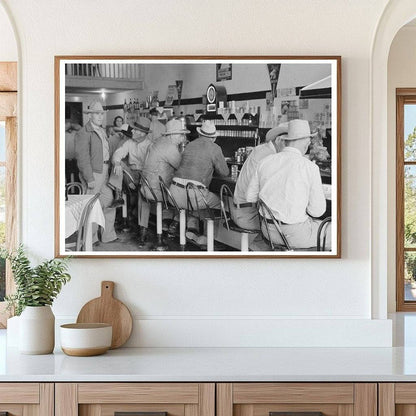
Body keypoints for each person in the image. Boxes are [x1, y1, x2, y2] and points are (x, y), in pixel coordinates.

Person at [246, 119, 329, 249]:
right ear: (306, 143)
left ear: (286, 140)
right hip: (295, 234)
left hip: (268, 230)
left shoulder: (265, 161)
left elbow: (250, 197)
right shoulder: (309, 167)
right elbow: (317, 211)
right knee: (338, 232)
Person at [169, 120, 229, 236]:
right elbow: (225, 172)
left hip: (174, 193)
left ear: (199, 134)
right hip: (194, 195)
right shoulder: (215, 148)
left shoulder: (190, 144)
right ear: (214, 138)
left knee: (196, 199)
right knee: (219, 203)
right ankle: (208, 239)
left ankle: (192, 227)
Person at [138, 119, 188, 242]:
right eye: (180, 134)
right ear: (172, 134)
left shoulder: (157, 142)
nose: (183, 137)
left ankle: (158, 226)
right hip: (156, 191)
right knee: (187, 197)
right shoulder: (170, 147)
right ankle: (174, 225)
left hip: (145, 187)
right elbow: (181, 166)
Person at [74, 100, 117, 244]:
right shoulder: (84, 132)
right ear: (90, 116)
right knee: (91, 205)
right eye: (97, 114)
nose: (100, 116)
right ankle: (89, 239)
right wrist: (89, 177)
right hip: (94, 173)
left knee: (109, 200)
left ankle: (107, 235)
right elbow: (82, 158)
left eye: (101, 114)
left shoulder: (101, 130)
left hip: (104, 170)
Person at [232, 122, 288, 230]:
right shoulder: (269, 156)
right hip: (248, 216)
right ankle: (257, 245)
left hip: (239, 211)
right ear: (278, 140)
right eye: (288, 143)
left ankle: (256, 245)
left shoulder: (261, 149)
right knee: (282, 229)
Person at [108, 118, 152, 207]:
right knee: (117, 162)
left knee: (143, 200)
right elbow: (118, 153)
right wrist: (117, 163)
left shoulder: (150, 145)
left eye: (135, 130)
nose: (132, 131)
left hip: (144, 176)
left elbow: (151, 167)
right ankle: (118, 195)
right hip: (131, 173)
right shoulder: (129, 142)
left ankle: (134, 212)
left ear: (142, 133)